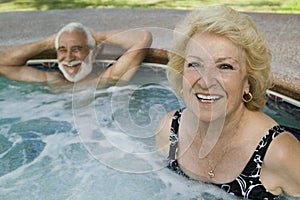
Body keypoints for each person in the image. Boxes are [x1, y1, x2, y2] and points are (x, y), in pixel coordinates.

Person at [156, 6, 300, 199]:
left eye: (225, 66)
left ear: (248, 81)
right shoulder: (169, 132)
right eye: (195, 64)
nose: (206, 81)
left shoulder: (280, 154)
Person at [0, 22, 152, 86]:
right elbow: (4, 64)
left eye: (77, 49)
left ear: (93, 52)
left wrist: (99, 36)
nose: (69, 58)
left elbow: (143, 38)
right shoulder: (53, 80)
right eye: (62, 50)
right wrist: (48, 42)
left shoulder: (106, 80)